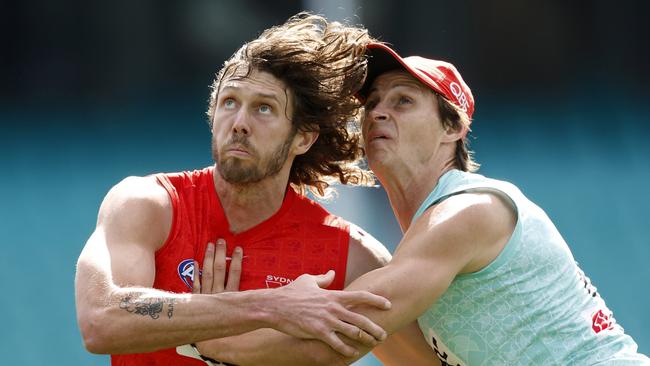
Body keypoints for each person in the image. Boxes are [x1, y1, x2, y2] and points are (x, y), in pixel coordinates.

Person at [189, 42, 650, 366]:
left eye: (403, 101)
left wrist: (212, 333)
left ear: (453, 128)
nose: (378, 113)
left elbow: (345, 335)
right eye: (371, 103)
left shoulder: (467, 212)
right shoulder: (431, 237)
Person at [74, 14, 398, 366]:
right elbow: (100, 322)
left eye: (263, 108)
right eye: (229, 102)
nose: (240, 123)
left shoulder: (351, 258)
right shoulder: (150, 205)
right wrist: (269, 308)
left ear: (303, 137)